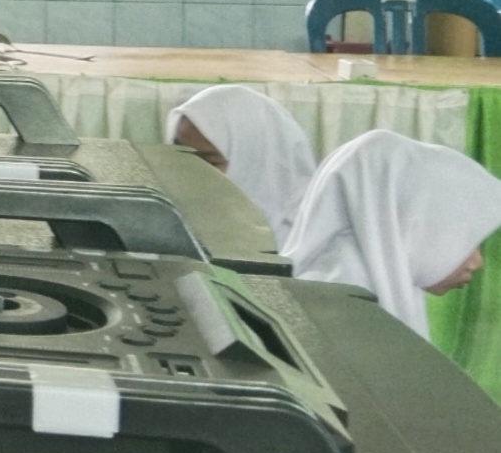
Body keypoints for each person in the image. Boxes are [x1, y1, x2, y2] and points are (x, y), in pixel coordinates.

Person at [284, 129, 501, 337]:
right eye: (466, 240)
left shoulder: (379, 282)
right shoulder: (343, 303)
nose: (476, 262)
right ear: (415, 225)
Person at [162, 84, 319, 244]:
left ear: (251, 166)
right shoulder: (169, 225)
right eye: (180, 154)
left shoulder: (306, 247)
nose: (186, 172)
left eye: (208, 162)